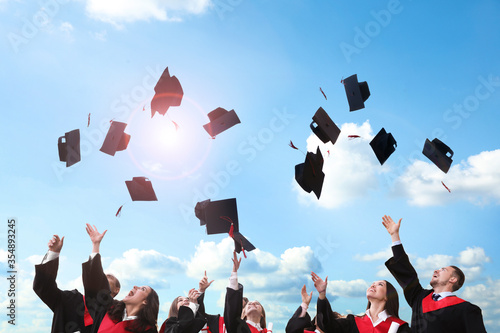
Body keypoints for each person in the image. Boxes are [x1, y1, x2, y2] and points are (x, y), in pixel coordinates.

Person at [382, 215, 487, 333]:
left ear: (453, 279)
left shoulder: (466, 309)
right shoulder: (419, 297)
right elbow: (406, 272)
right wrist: (394, 236)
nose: (436, 270)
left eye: (443, 270)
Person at [33, 234, 120, 333]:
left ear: (117, 290)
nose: (105, 277)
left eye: (110, 277)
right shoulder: (70, 300)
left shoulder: (119, 314)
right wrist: (53, 253)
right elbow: (44, 288)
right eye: (103, 276)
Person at [82, 224, 159, 333]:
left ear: (146, 301)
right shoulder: (110, 309)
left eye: (142, 289)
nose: (135, 286)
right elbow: (96, 285)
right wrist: (96, 245)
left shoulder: (148, 330)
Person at [312, 272, 410, 333]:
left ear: (387, 296)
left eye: (380, 284)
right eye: (372, 284)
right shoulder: (352, 322)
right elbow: (327, 326)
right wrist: (322, 295)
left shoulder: (400, 327)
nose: (373, 286)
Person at [224, 252, 270, 333]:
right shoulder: (237, 327)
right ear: (244, 313)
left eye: (257, 303)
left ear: (262, 314)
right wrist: (234, 271)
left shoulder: (267, 331)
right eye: (249, 304)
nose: (253, 304)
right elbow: (232, 309)